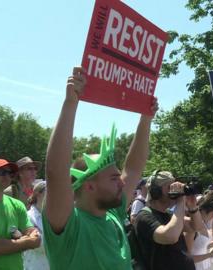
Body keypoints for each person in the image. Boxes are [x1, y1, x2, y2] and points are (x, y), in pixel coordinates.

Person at [42, 67, 158, 270]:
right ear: (89, 186)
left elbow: (133, 168)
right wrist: (71, 103)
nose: (122, 182)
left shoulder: (113, 213)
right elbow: (56, 172)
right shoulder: (69, 225)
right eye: (114, 178)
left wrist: (146, 118)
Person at [132, 170, 203, 270]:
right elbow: (170, 237)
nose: (175, 189)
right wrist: (180, 201)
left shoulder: (169, 214)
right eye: (170, 187)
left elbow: (195, 227)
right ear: (156, 191)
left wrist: (193, 206)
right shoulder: (144, 217)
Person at [0, 159, 41, 270]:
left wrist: (17, 242)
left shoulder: (17, 205)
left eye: (10, 173)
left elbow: (36, 238)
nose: (7, 176)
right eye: (2, 172)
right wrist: (26, 241)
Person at [184, 191, 213, 270]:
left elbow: (201, 245)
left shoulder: (204, 225)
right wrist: (210, 255)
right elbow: (186, 258)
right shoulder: (192, 228)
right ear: (205, 211)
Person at [23, 181, 49, 270]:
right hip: (34, 266)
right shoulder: (28, 216)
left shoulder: (55, 216)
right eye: (49, 191)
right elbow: (37, 244)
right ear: (38, 194)